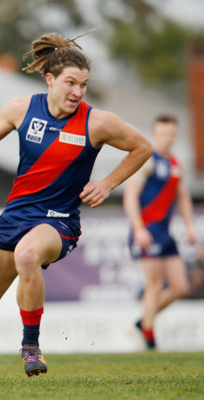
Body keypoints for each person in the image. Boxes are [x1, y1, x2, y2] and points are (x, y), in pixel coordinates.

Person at [0, 31, 153, 385]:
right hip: (16, 215)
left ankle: (30, 345)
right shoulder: (21, 109)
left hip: (59, 222)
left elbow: (142, 147)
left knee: (29, 254)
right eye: (70, 83)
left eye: (83, 84)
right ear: (50, 80)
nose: (78, 92)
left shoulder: (97, 122)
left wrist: (108, 183)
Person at [123, 115, 194, 350]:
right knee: (154, 284)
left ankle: (142, 323)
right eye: (163, 134)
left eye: (171, 135)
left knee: (180, 287)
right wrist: (138, 229)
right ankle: (149, 339)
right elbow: (130, 196)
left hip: (165, 233)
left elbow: (182, 197)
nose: (168, 139)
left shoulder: (175, 164)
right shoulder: (148, 160)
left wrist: (189, 226)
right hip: (146, 231)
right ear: (155, 135)